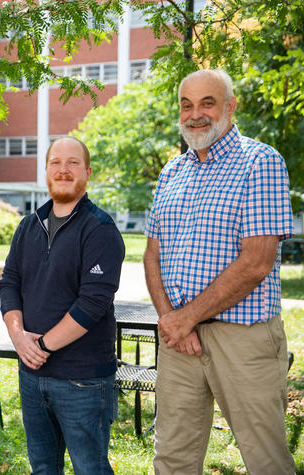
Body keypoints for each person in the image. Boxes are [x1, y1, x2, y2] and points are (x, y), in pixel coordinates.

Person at [144, 69, 295, 474]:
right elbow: (151, 257)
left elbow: (257, 262)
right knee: (172, 458)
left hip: (242, 339)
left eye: (207, 103)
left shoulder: (260, 162)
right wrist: (171, 322)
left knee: (265, 459)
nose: (195, 114)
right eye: (186, 105)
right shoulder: (171, 173)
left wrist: (185, 318)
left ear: (230, 107)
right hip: (179, 342)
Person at [0, 136, 124, 474]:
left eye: (72, 163)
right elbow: (9, 283)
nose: (63, 169)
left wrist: (41, 345)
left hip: (82, 379)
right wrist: (18, 336)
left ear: (88, 172)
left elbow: (94, 301)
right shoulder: (28, 226)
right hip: (32, 375)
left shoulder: (100, 229)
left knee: (90, 468)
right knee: (42, 467)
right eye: (56, 162)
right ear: (46, 171)